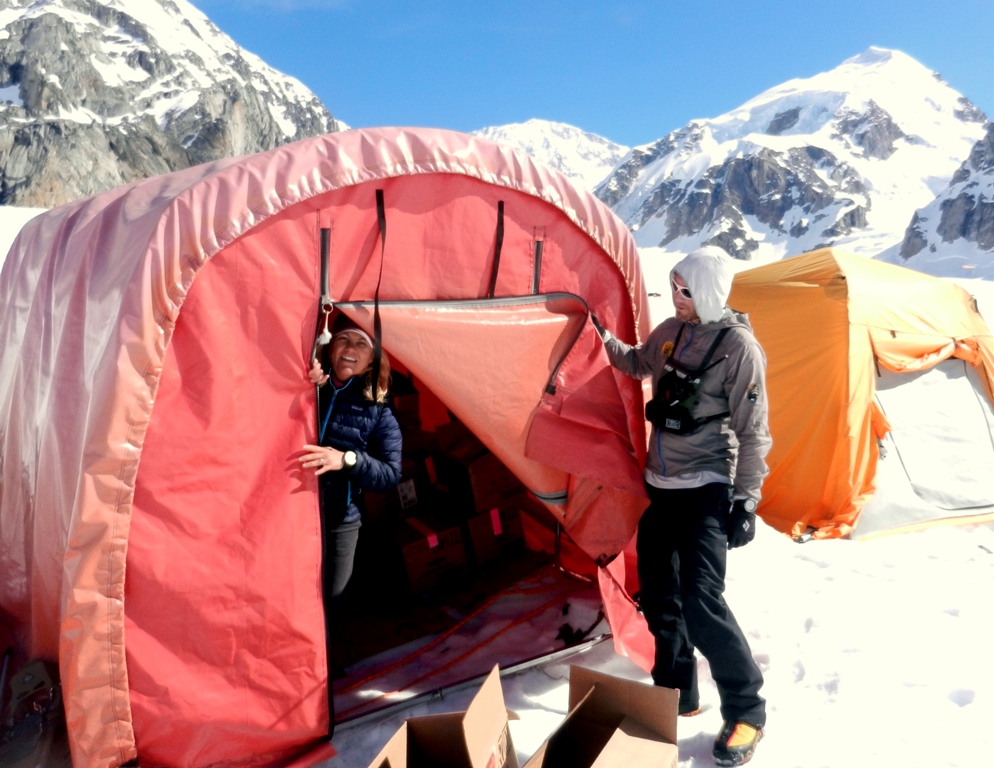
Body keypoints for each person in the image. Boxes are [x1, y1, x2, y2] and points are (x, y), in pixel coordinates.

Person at [595, 246, 772, 767]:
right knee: (659, 594)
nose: (675, 298)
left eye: (685, 290)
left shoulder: (740, 348)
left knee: (701, 600)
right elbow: (636, 362)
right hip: (662, 485)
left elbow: (754, 430)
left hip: (707, 487)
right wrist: (600, 337)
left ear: (708, 290)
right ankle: (676, 693)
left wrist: (745, 501)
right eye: (673, 288)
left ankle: (747, 710)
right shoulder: (671, 331)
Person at [300, 313, 402, 603]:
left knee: (332, 596)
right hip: (293, 509)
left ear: (372, 359)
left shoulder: (379, 407)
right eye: (343, 339)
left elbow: (391, 474)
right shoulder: (308, 383)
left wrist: (347, 460)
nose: (350, 348)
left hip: (340, 518)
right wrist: (310, 388)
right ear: (330, 348)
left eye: (361, 343)